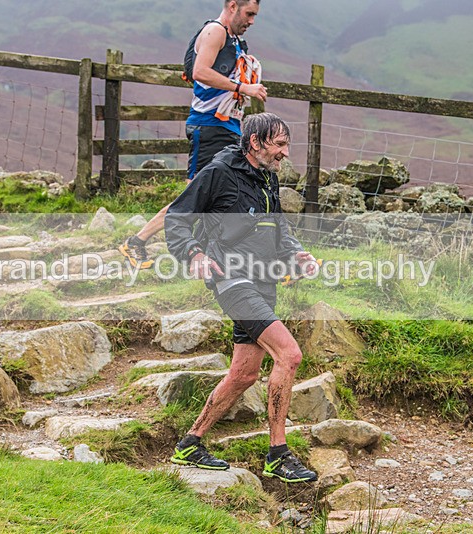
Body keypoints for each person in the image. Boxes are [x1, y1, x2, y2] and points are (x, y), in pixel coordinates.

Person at [164, 113, 318, 483]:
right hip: (231, 279)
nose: (285, 152)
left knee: (244, 374)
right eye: (279, 144)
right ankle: (278, 454)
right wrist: (194, 254)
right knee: (290, 354)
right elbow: (177, 217)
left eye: (286, 145)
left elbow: (278, 228)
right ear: (255, 143)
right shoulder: (219, 172)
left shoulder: (268, 178)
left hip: (263, 282)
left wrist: (296, 255)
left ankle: (190, 443)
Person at [119, 0, 267, 269]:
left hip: (227, 127)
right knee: (194, 197)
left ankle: (243, 256)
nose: (252, 21)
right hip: (209, 128)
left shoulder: (233, 39)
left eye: (255, 15)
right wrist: (243, 88)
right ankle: (138, 242)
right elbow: (200, 72)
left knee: (233, 190)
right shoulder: (215, 32)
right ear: (233, 5)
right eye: (249, 14)